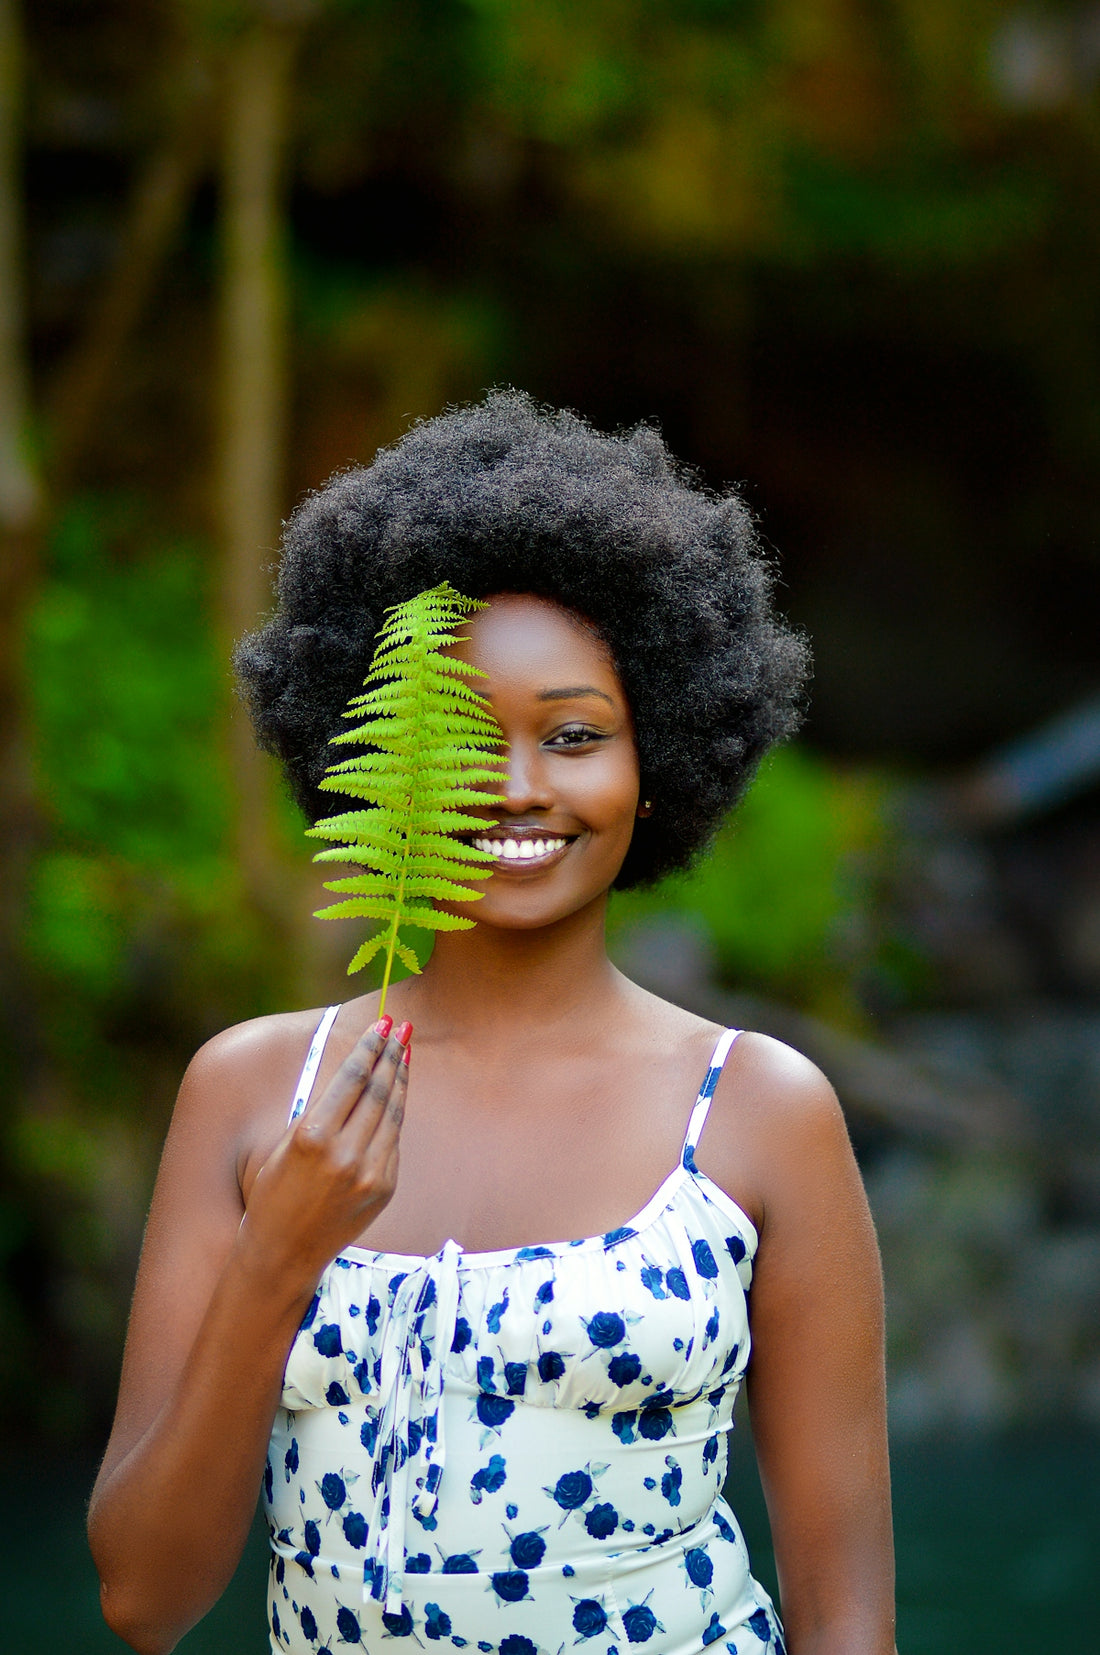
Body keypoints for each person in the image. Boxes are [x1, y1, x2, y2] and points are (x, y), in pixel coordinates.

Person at [88, 391, 896, 1655]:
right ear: (373, 756)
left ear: (657, 756)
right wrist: (277, 1257)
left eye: (572, 734)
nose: (517, 786)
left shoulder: (757, 1108)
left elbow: (844, 1616)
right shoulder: (253, 1092)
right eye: (465, 736)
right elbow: (142, 1598)